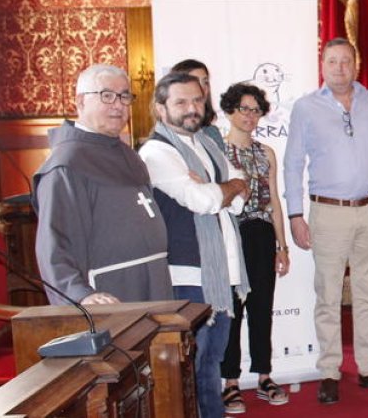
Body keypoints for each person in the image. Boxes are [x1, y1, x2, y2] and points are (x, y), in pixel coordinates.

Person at [283, 39, 368, 404]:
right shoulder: (306, 108)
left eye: (345, 60)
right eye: (332, 61)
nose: (339, 67)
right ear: (322, 66)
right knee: (328, 295)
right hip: (327, 212)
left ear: (357, 64)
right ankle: (329, 371)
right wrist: (294, 214)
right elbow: (292, 164)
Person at [140, 72, 249, 418]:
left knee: (212, 363)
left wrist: (222, 188)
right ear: (161, 108)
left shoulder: (206, 142)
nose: (192, 108)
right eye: (181, 102)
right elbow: (200, 200)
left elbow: (241, 189)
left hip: (221, 271)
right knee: (191, 364)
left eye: (198, 100)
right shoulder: (157, 151)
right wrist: (223, 188)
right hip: (188, 273)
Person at [32, 64, 172, 306]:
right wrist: (79, 294)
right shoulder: (67, 164)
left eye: (124, 96)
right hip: (110, 291)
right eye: (107, 96)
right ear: (80, 102)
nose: (118, 105)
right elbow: (53, 243)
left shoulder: (128, 155)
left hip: (153, 281)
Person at [218, 83, 290, 411]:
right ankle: (230, 382)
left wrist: (283, 245)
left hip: (262, 235)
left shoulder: (267, 152)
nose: (249, 116)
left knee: (262, 307)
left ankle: (263, 376)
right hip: (230, 236)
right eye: (243, 109)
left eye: (255, 110)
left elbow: (274, 200)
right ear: (230, 110)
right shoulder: (216, 150)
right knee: (233, 310)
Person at [171, 59, 225, 149]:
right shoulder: (169, 135)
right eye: (195, 82)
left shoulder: (212, 132)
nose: (202, 88)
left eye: (205, 82)